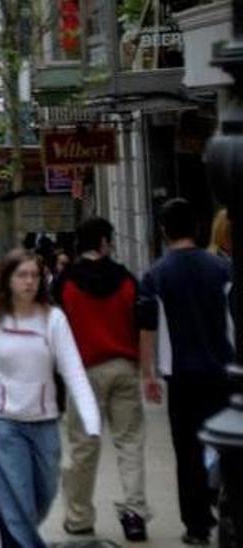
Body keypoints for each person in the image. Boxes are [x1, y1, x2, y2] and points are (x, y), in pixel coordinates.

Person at [0, 250, 101, 548]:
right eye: (22, 275)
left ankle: (3, 530)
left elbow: (73, 370)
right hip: (1, 423)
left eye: (34, 275)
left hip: (43, 420)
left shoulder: (54, 320)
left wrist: (91, 418)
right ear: (7, 280)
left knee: (45, 492)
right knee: (19, 496)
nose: (29, 282)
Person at [137, 198, 234, 545]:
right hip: (224, 372)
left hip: (180, 377)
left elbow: (147, 328)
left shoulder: (156, 275)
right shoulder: (222, 270)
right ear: (197, 228)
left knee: (188, 452)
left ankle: (196, 526)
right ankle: (230, 512)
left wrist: (148, 374)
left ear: (163, 232)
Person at [50, 218, 150, 541]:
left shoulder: (65, 283)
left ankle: (79, 517)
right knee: (129, 442)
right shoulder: (127, 280)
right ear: (105, 242)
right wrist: (146, 370)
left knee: (82, 446)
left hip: (83, 373)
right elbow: (141, 323)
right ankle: (134, 514)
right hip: (123, 367)